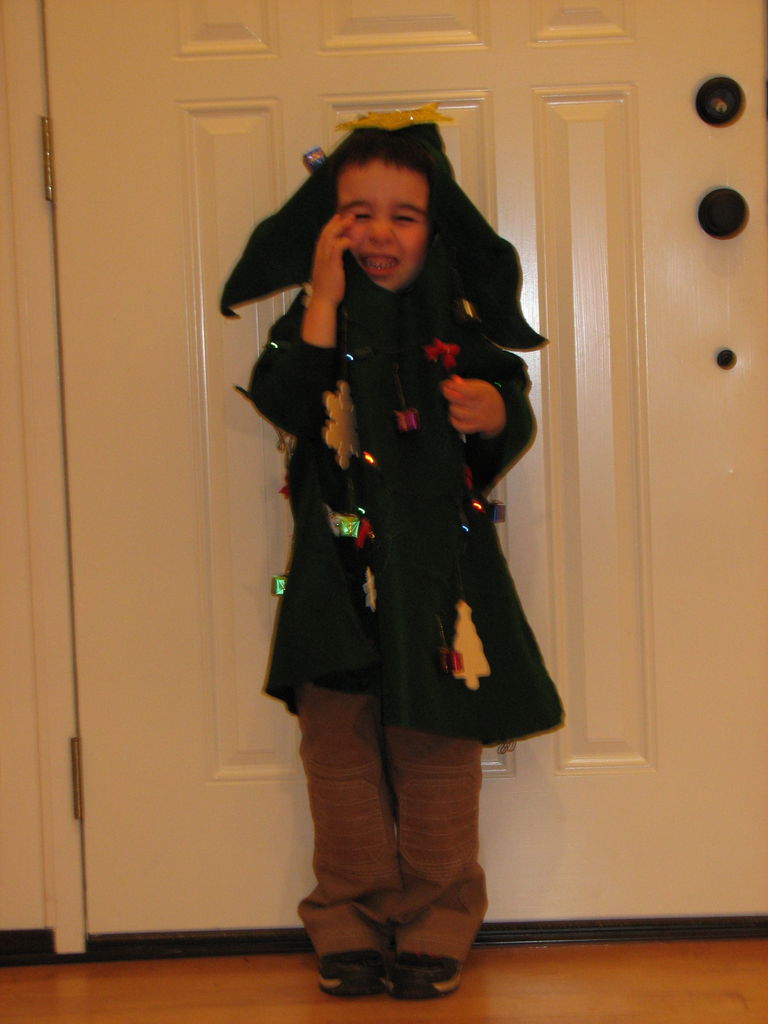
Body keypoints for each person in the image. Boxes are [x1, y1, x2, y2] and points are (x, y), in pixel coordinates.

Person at [221, 104, 563, 1000]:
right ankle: (348, 916)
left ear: (433, 226)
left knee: (437, 752)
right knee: (336, 755)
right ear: (328, 226)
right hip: (333, 582)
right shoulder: (311, 321)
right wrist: (326, 302)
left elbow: (503, 411)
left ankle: (439, 916)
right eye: (356, 213)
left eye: (402, 215)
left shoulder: (458, 327)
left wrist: (496, 416)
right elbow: (288, 399)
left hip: (438, 588)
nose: (378, 232)